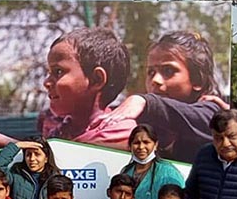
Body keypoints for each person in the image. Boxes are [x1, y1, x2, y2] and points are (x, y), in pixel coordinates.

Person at [94, 31, 227, 163]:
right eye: (151, 72)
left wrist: (143, 101)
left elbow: (203, 119)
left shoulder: (212, 111)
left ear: (197, 80)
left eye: (168, 71)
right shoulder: (146, 120)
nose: (155, 80)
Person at [40, 27, 136, 150]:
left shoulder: (121, 133)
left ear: (97, 79)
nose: (46, 82)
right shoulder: (60, 132)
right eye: (49, 73)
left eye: (58, 72)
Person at [121, 124, 185, 199]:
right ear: (130, 146)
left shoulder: (169, 173)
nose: (141, 147)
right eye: (136, 143)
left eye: (146, 142)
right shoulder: (126, 172)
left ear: (155, 145)